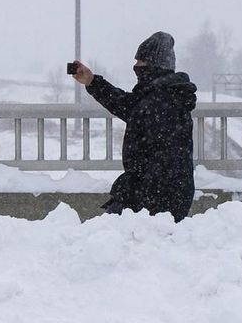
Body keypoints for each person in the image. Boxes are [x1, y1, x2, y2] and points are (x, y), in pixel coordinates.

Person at [72, 31, 197, 222]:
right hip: (159, 191)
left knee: (111, 236)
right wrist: (92, 81)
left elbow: (166, 159)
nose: (136, 66)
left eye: (141, 62)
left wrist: (135, 192)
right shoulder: (156, 96)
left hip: (160, 197)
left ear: (154, 65)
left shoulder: (163, 102)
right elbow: (125, 104)